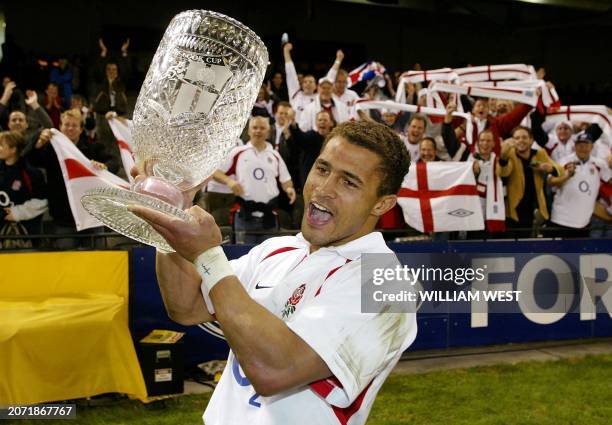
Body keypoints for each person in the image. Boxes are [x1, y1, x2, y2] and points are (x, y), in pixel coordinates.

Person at [129, 120, 416, 425]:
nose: (324, 188)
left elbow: (275, 370)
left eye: (349, 182)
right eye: (322, 169)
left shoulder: (386, 285)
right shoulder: (278, 250)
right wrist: (172, 216)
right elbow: (186, 307)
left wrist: (208, 256)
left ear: (382, 204)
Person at [27, 109, 117, 249]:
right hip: (63, 218)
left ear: (81, 129)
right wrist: (38, 143)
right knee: (66, 264)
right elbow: (31, 160)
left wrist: (104, 166)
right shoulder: (51, 149)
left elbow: (114, 162)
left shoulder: (93, 147)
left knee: (98, 261)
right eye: (66, 124)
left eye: (74, 125)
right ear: (60, 127)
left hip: (92, 216)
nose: (70, 128)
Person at [212, 116, 296, 244]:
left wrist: (289, 189)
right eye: (255, 128)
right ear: (249, 131)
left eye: (262, 128)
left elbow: (286, 180)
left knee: (268, 258)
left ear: (268, 132)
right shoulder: (238, 152)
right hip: (244, 215)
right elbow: (215, 173)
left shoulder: (274, 155)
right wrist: (230, 181)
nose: (258, 131)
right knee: (243, 256)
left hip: (269, 215)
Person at [499, 126, 562, 238]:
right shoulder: (510, 154)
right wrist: (503, 158)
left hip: (534, 207)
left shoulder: (540, 153)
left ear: (531, 140)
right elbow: (503, 172)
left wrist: (550, 169)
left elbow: (559, 169)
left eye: (524, 137)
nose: (521, 140)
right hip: (513, 209)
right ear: (513, 141)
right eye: (517, 138)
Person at [548, 131, 611, 238]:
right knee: (557, 254)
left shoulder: (599, 164)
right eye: (580, 144)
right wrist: (567, 176)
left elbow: (609, 180)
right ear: (575, 146)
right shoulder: (563, 162)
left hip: (584, 222)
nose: (583, 148)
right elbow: (551, 182)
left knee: (579, 254)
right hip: (561, 219)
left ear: (591, 147)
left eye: (586, 144)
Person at [0, 131, 47, 249]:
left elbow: (42, 202)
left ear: (13, 149)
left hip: (27, 236)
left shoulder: (31, 173)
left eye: (1, 145)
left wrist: (17, 213)